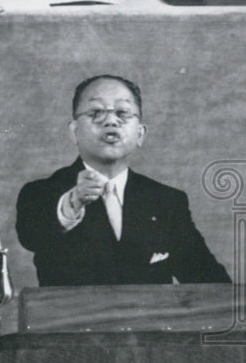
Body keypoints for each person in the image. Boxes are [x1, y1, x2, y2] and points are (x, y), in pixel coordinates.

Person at [15, 75, 231, 286]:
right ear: (74, 132)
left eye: (122, 113)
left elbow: (209, 282)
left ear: (140, 134)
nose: (110, 121)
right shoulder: (40, 193)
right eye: (96, 112)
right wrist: (74, 201)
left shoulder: (167, 201)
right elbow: (32, 236)